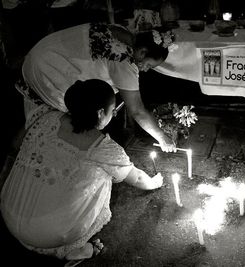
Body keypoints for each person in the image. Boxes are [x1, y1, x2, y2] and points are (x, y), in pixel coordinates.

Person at [0, 79, 164, 264]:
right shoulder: (103, 148)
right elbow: (137, 178)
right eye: (113, 111)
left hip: (11, 211)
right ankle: (73, 248)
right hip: (49, 231)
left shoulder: (44, 115)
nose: (114, 115)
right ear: (101, 113)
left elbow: (15, 145)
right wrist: (155, 182)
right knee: (107, 173)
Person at [18, 22, 177, 153]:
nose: (146, 70)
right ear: (142, 51)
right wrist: (162, 137)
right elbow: (137, 110)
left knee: (53, 117)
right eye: (148, 64)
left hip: (41, 52)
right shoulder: (123, 59)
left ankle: (27, 147)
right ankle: (45, 154)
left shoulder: (122, 32)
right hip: (50, 70)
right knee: (60, 120)